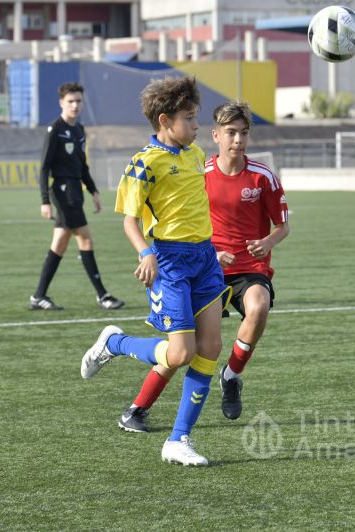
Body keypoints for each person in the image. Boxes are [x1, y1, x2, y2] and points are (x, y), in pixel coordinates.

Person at [80, 77, 231, 466]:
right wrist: (145, 253)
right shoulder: (144, 163)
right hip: (170, 262)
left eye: (196, 118)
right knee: (181, 353)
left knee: (211, 347)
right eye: (189, 118)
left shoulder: (196, 155)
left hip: (204, 259)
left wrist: (214, 248)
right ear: (165, 120)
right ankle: (115, 343)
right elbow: (130, 221)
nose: (196, 126)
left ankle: (178, 440)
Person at [117, 100, 290, 433]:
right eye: (231, 133)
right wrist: (207, 251)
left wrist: (267, 242)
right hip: (204, 266)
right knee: (182, 350)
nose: (238, 140)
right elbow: (180, 221)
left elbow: (282, 225)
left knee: (258, 307)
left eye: (243, 133)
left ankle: (232, 376)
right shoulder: (199, 170)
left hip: (249, 268)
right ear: (216, 136)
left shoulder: (263, 177)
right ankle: (138, 407)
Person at [29, 82, 124, 311]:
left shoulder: (79, 130)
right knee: (85, 239)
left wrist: (93, 191)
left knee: (60, 244)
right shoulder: (55, 130)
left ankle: (38, 296)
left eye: (78, 101)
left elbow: (82, 166)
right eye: (70, 101)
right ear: (62, 103)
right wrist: (44, 201)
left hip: (75, 191)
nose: (75, 105)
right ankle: (103, 295)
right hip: (62, 192)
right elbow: (44, 168)